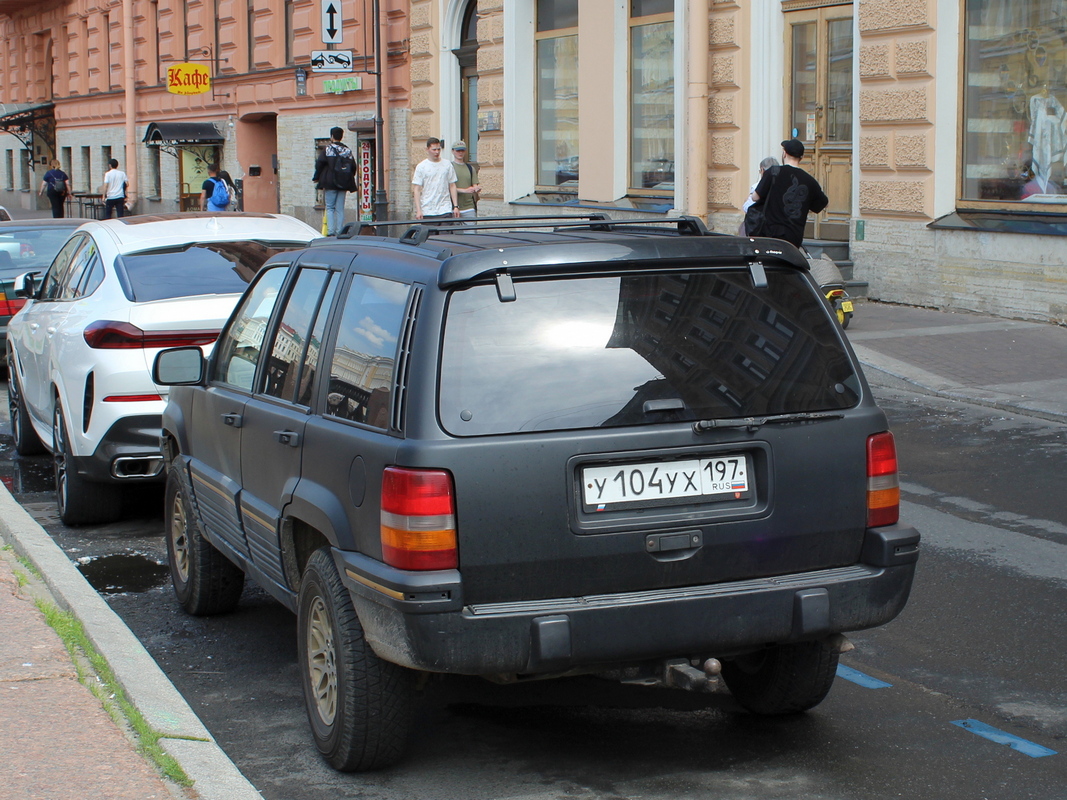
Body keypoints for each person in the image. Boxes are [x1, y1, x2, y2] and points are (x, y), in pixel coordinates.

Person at [748, 139, 828, 248]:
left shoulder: (773, 172)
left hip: (769, 233)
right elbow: (823, 204)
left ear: (784, 153)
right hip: (793, 237)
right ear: (802, 157)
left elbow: (755, 197)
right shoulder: (809, 181)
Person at [312, 127, 358, 235]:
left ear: (332, 136)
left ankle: (331, 232)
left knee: (330, 207)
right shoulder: (347, 150)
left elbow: (319, 164)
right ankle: (340, 231)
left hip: (330, 182)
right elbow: (353, 167)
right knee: (340, 208)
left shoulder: (328, 149)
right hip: (344, 183)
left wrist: (316, 177)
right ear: (341, 136)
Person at [412, 137, 459, 222]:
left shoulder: (447, 164)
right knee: (431, 235)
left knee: (445, 234)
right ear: (427, 149)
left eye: (438, 149)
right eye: (434, 150)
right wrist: (419, 210)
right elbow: (417, 189)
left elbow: (452, 185)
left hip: (445, 208)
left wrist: (455, 206)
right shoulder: (421, 167)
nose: (437, 152)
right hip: (428, 209)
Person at [739, 156, 778, 234]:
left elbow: (747, 207)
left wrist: (747, 199)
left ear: (762, 170)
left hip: (759, 227)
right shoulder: (782, 186)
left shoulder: (757, 187)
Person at [450, 141, 481, 220]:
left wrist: (477, 188)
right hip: (452, 207)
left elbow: (475, 184)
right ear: (453, 151)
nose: (460, 153)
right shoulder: (449, 167)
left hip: (469, 206)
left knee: (471, 231)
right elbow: (446, 188)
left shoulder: (470, 168)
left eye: (462, 150)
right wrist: (464, 190)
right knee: (456, 232)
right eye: (458, 150)